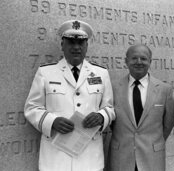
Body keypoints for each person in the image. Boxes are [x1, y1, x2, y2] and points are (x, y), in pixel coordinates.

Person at [24, 20, 115, 171]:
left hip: (90, 157)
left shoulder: (101, 73)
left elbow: (109, 107)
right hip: (55, 158)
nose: (76, 47)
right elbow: (31, 107)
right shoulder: (46, 73)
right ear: (62, 45)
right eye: (71, 42)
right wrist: (51, 121)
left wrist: (102, 117)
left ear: (87, 46)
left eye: (81, 43)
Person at [107, 44, 174, 171]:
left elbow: (168, 123)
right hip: (121, 156)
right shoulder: (113, 88)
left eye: (143, 58)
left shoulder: (164, 90)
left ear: (150, 61)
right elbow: (111, 121)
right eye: (134, 58)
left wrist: (152, 142)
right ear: (126, 61)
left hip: (152, 157)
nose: (139, 62)